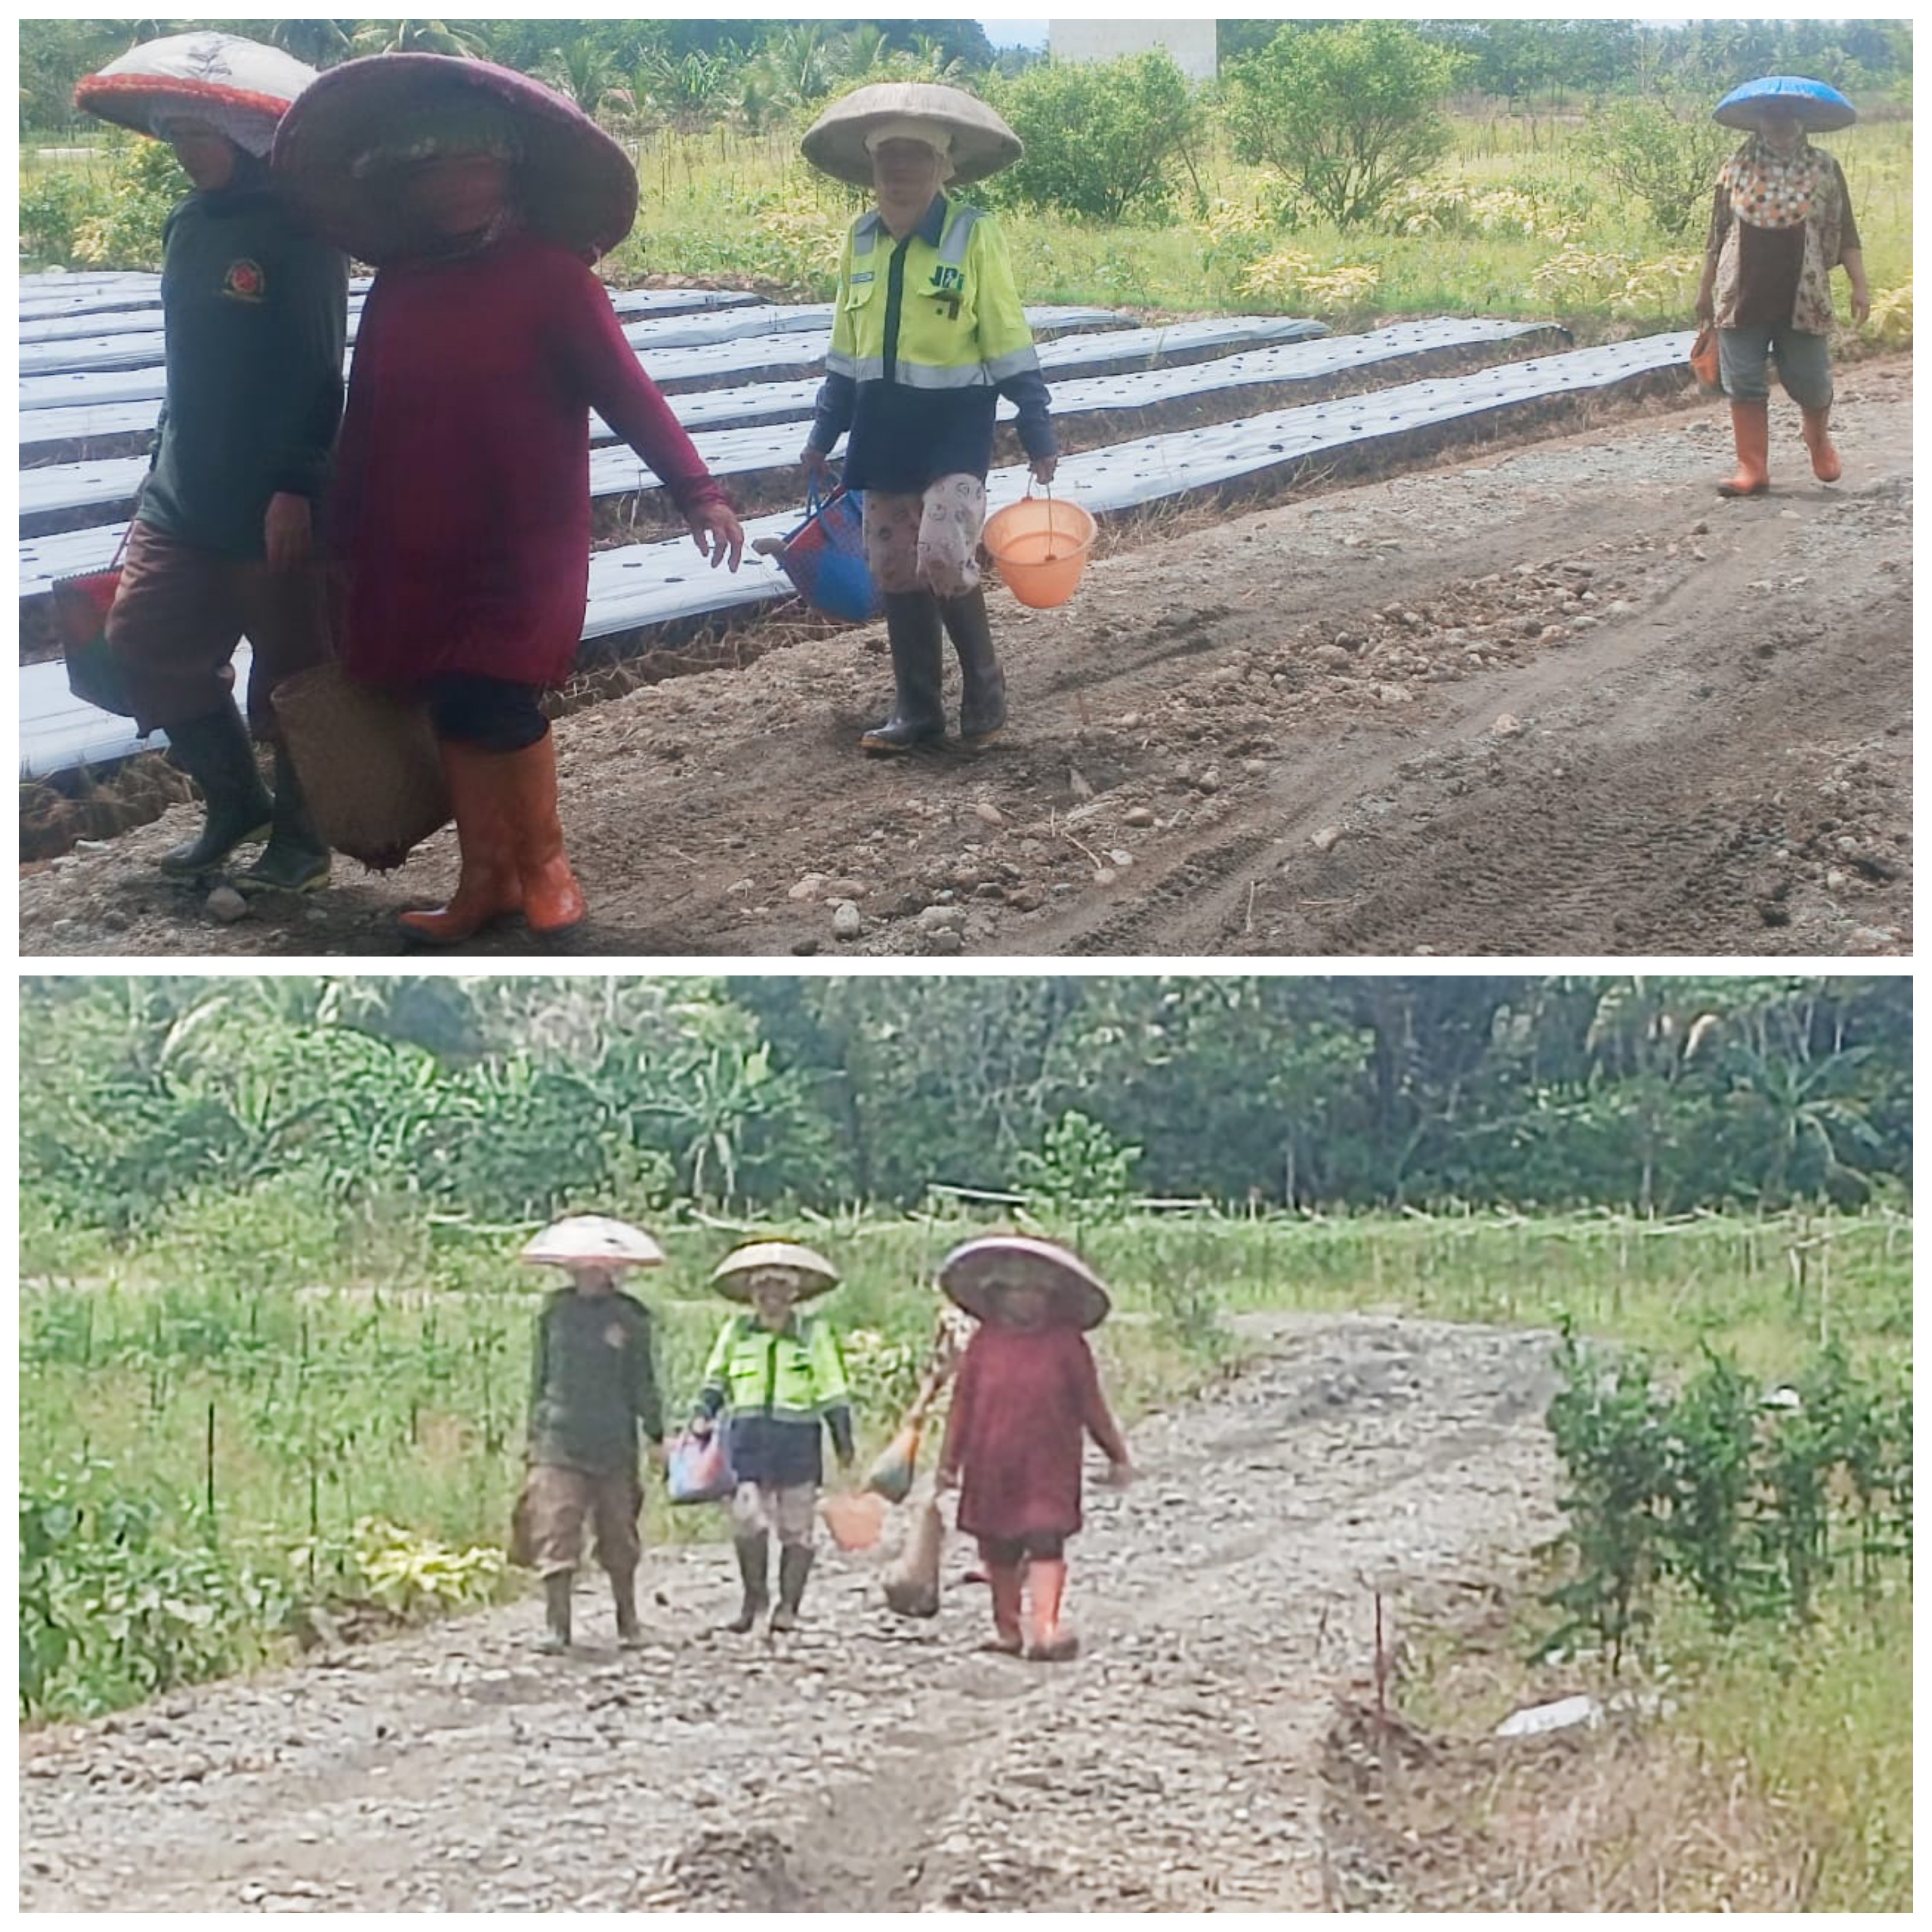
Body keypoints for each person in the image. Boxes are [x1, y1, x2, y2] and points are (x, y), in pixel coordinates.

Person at [273, 56, 746, 942]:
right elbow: (365, 416)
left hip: (524, 541)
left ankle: (546, 869)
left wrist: (699, 491)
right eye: (434, 172)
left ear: (507, 172)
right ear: (408, 188)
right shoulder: (399, 287)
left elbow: (628, 391)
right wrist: (340, 533)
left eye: (474, 167)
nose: (456, 188)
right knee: (451, 700)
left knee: (500, 698)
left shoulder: (554, 279)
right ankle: (485, 878)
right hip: (415, 542)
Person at [76, 32, 347, 894]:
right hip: (184, 492)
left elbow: (318, 366)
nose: (185, 153)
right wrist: (161, 463)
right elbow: (184, 358)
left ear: (243, 138)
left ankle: (302, 840)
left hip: (272, 497)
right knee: (143, 644)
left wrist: (296, 484)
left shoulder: (302, 232)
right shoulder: (187, 225)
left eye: (198, 136)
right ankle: (237, 800)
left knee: (294, 677)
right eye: (175, 136)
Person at [799, 83, 1057, 754]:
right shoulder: (860, 241)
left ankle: (986, 684)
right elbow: (845, 350)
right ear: (871, 166)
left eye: (916, 155)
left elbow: (1004, 332)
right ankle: (917, 711)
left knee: (944, 552)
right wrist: (821, 435)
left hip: (952, 429)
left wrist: (1036, 425)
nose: (900, 169)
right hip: (882, 429)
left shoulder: (972, 234)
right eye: (888, 156)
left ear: (943, 166)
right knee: (893, 568)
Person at [935, 1235, 1133, 1661]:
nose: (1028, 1301)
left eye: (1038, 1293)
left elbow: (1091, 1404)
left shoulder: (1066, 1345)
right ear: (999, 1296)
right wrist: (949, 1462)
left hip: (1049, 1463)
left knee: (1046, 1538)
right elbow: (962, 1406)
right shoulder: (984, 1344)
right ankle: (1008, 1631)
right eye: (1019, 1292)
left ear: (1052, 1298)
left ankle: (1045, 1627)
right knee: (998, 1547)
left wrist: (1116, 1452)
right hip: (991, 1464)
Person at [1695, 75, 1871, 498]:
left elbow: (1846, 232)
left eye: (1788, 115)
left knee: (1811, 379)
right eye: (1770, 115)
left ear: (1802, 121)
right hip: (1741, 291)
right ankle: (1752, 468)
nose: (1779, 122)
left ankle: (1817, 438)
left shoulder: (1824, 168)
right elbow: (1717, 234)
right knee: (1745, 382)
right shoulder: (1735, 168)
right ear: (1757, 121)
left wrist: (1859, 285)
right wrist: (1704, 290)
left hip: (1804, 292)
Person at [689, 1243, 854, 1634]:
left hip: (797, 1443)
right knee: (748, 1522)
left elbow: (832, 1389)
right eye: (762, 1289)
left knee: (797, 1529)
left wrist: (843, 1440)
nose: (771, 1297)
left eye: (780, 1289)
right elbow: (716, 1379)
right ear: (752, 1295)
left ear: (794, 1295)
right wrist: (701, 1415)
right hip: (747, 1441)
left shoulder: (813, 1335)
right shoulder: (737, 1333)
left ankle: (788, 1608)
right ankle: (754, 1601)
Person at [513, 1244, 666, 1655]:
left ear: (615, 1270)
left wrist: (656, 1435)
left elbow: (642, 1382)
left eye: (601, 1266)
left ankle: (627, 1621)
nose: (591, 1272)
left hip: (614, 1441)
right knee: (556, 1528)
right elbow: (540, 1377)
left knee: (619, 1533)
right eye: (582, 1265)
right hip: (559, 1438)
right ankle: (557, 1627)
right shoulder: (555, 1313)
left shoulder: (630, 1318)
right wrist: (532, 1433)